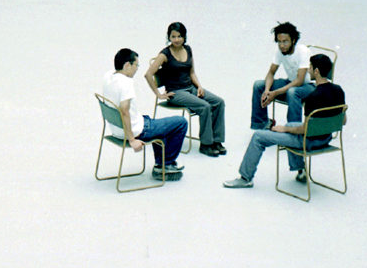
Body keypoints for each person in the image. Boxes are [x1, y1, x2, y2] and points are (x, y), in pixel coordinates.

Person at [225, 51, 343, 188]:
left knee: (258, 137)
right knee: (291, 124)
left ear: (316, 71)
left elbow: (304, 129)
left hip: (309, 141)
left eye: (310, 67)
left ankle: (245, 178)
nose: (308, 70)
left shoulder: (313, 96)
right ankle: (300, 170)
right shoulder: (339, 90)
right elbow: (343, 120)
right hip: (327, 137)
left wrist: (283, 129)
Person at [102, 48, 187, 180]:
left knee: (155, 124)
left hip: (116, 130)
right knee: (181, 122)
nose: (137, 69)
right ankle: (166, 164)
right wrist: (132, 140)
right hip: (136, 131)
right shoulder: (126, 83)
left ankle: (161, 164)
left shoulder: (108, 77)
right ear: (127, 65)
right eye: (136, 65)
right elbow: (124, 110)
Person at [145, 22, 226, 156]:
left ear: (184, 37)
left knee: (219, 102)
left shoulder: (188, 49)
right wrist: (159, 95)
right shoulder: (164, 54)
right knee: (204, 106)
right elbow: (148, 74)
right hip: (176, 93)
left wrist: (199, 86)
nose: (176, 40)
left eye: (179, 36)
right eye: (173, 36)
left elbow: (192, 72)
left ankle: (216, 141)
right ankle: (206, 144)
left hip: (191, 88)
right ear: (169, 37)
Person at [251, 21, 314, 131]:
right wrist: (266, 90)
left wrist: (275, 93)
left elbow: (299, 81)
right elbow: (271, 73)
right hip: (290, 83)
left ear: (293, 40)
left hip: (308, 87)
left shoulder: (303, 51)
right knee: (259, 85)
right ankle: (261, 125)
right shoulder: (279, 51)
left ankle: (293, 130)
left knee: (293, 91)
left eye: (285, 42)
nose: (281, 45)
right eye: (279, 42)